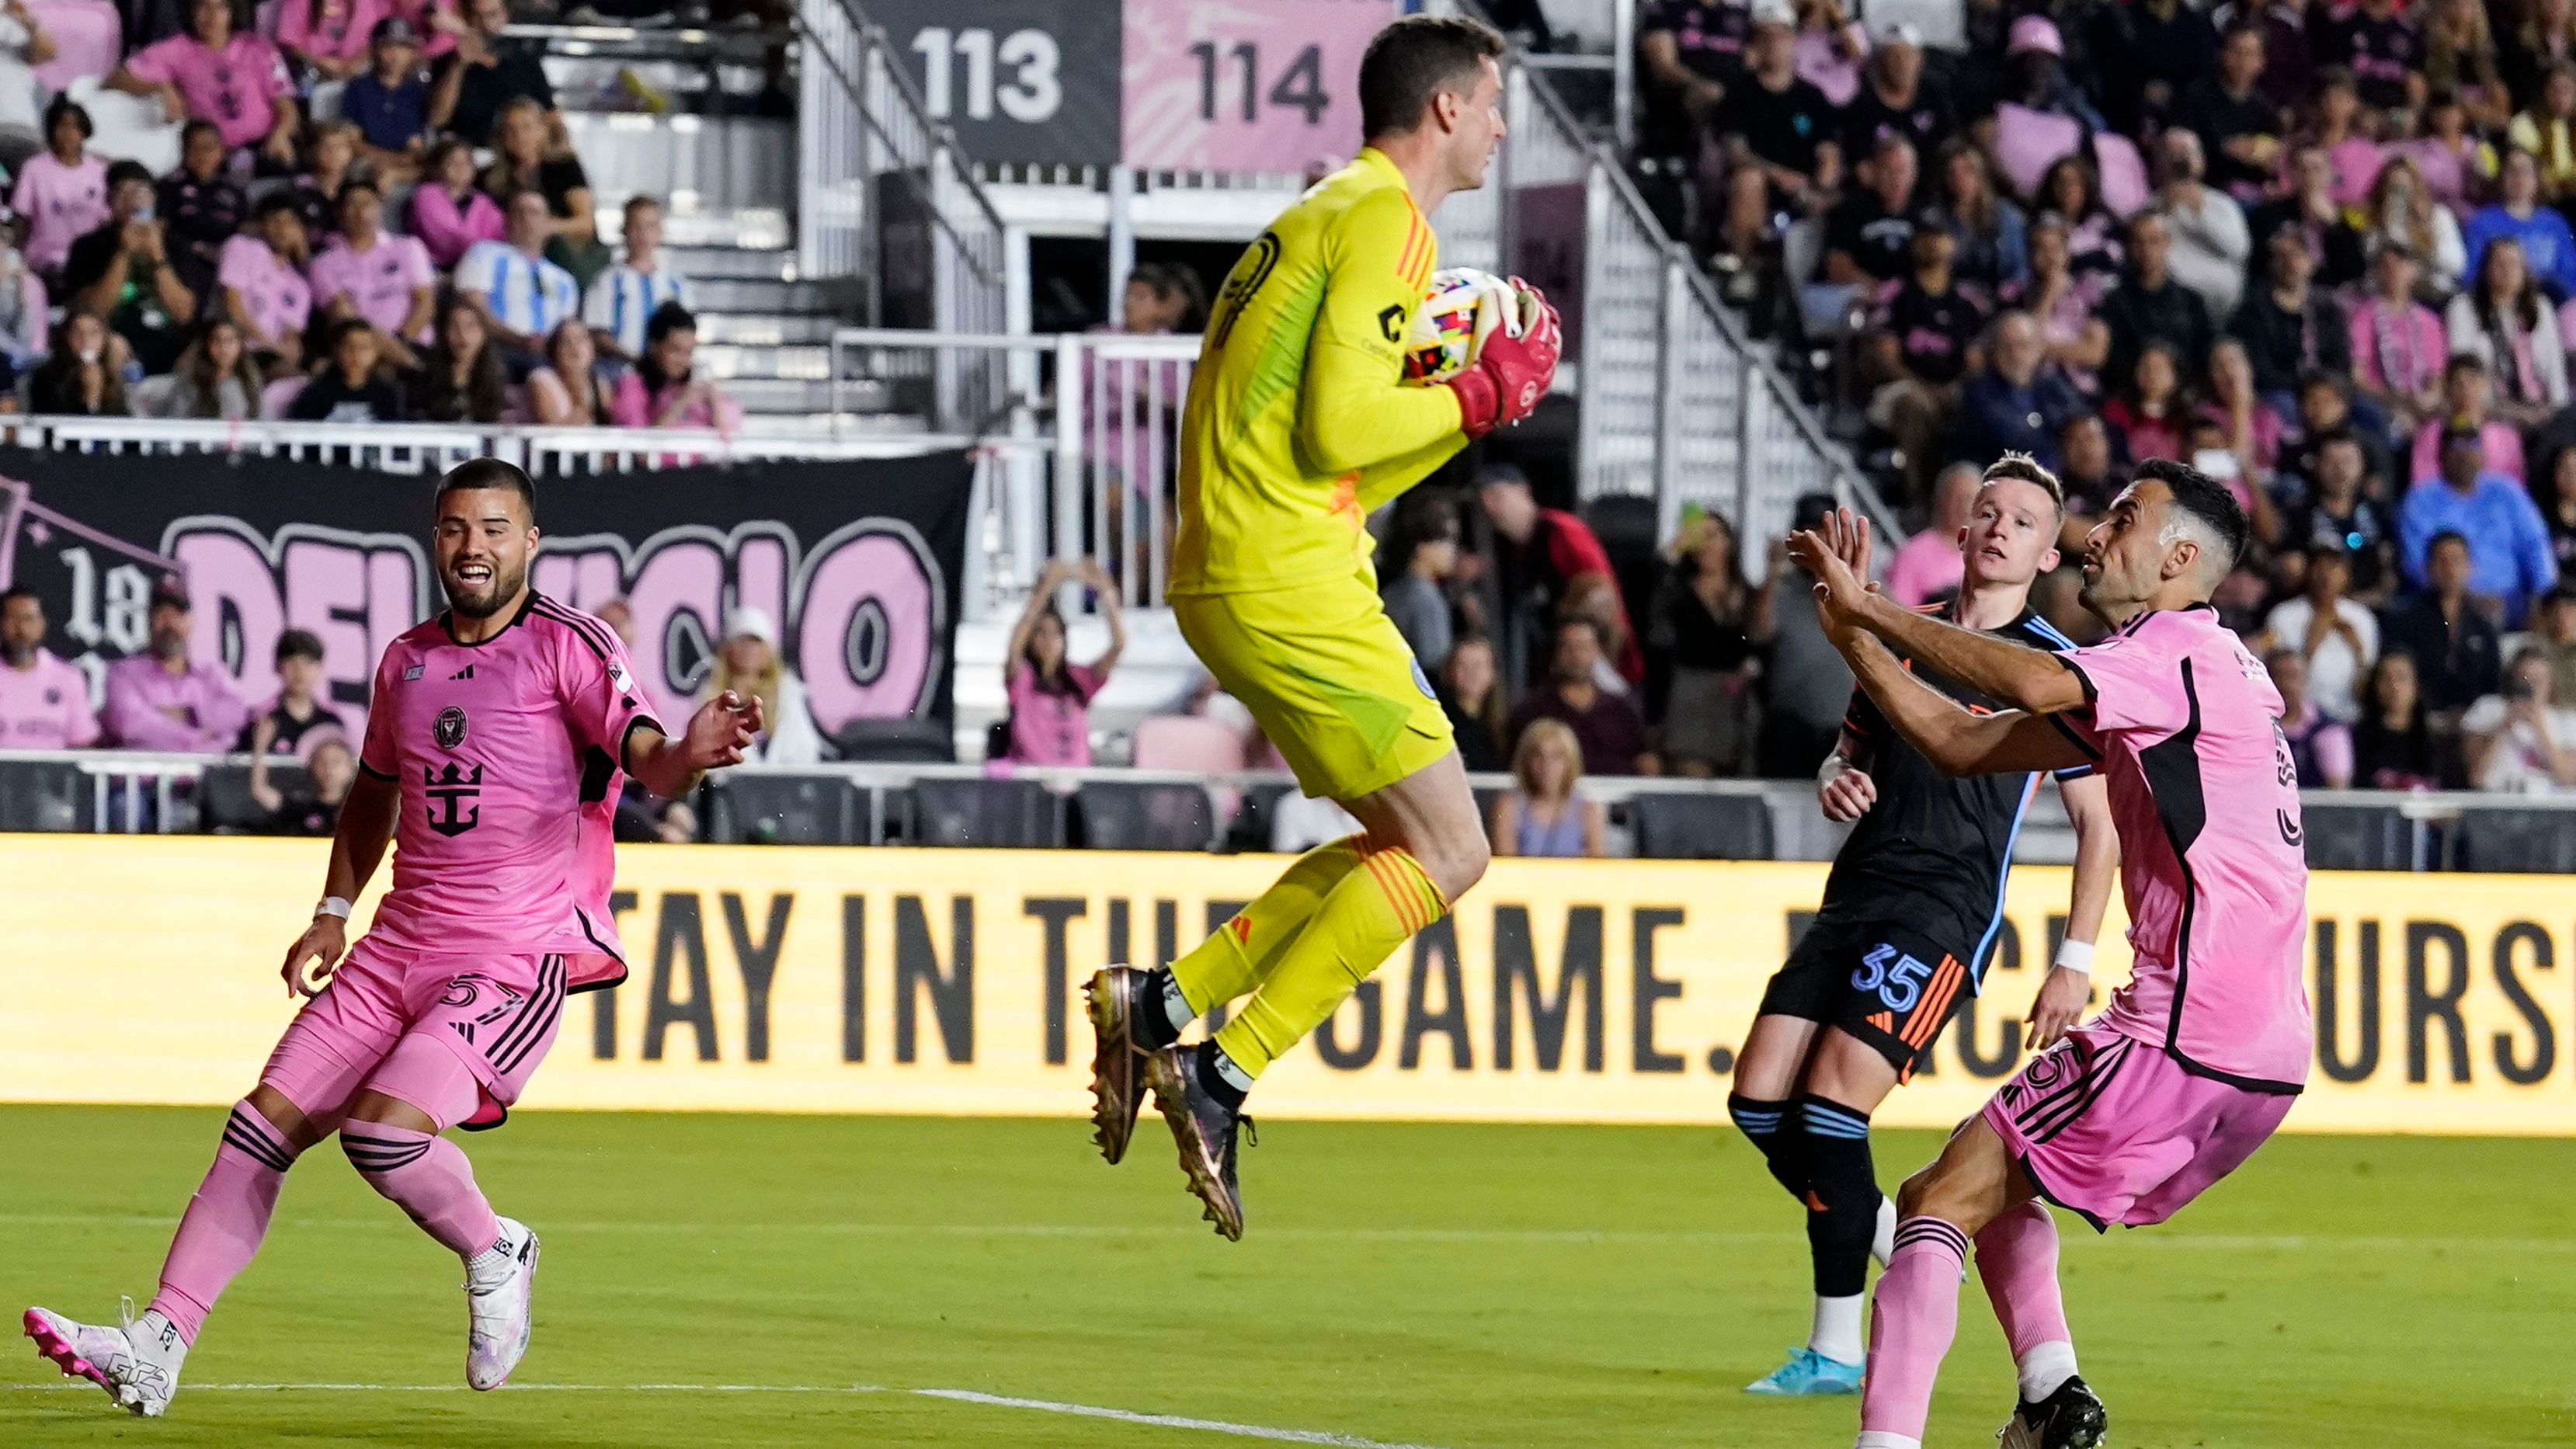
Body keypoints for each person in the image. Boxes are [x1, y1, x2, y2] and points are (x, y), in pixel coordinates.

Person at [24, 458, 761, 1417]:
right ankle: (159, 1341)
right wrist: (332, 911)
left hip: (508, 953)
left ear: (530, 543)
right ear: (435, 537)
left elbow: (648, 763)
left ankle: (497, 1247)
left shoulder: (569, 647)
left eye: (495, 529)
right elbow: (373, 792)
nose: (474, 548)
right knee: (255, 1133)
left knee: (381, 1137)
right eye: (457, 528)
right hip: (392, 946)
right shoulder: (405, 660)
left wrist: (689, 756)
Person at [1083, 15, 1559, 1245]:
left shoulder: (1321, 215)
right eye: (1494, 102)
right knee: (1453, 851)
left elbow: (1341, 462)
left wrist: (1463, 414)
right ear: (1446, 109)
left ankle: (1163, 999)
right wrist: (1475, 390)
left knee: (1399, 846)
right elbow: (1343, 436)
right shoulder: (1388, 223)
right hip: (1287, 578)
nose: (1504, 125)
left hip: (1246, 566)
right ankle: (1219, 1068)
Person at [1788, 458, 2308, 1449]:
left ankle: (1887, 1442)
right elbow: (1955, 739)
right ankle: (2049, 1398)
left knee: (1934, 1201)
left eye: (2122, 520)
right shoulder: (2196, 673)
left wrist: (1874, 609)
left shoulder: (2171, 655)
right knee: (1994, 1175)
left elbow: (2026, 672)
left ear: (2179, 558)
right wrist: (1857, 638)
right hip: (2263, 1059)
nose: (2095, 536)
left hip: (2177, 1031)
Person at [1731, 455, 2118, 1401]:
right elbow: (1851, 741)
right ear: (1960, 530)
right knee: (1756, 1105)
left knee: (1827, 1112)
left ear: (2043, 553)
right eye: (1986, 512)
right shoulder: (1904, 636)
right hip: (1855, 891)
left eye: (2022, 521)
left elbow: (2098, 823)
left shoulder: (2044, 669)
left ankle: (1837, 1343)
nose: (1997, 527)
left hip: (1941, 910)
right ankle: (1891, 1248)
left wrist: (2074, 961)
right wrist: (1834, 774)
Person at [1476, 463, 1634, 695]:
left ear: (1523, 491)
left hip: (1594, 660)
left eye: (1497, 496)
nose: (1490, 507)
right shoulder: (1518, 548)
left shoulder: (1560, 530)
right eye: (1484, 501)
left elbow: (1602, 592)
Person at [1649, 509, 1777, 777]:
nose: (1706, 545)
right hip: (1692, 697)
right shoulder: (1680, 593)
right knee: (1694, 777)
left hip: (1737, 702)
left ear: (1729, 542)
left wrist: (1773, 573)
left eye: (1713, 536)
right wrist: (1675, 546)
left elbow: (1760, 637)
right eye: (1699, 538)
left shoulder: (1746, 592)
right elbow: (1656, 623)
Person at [1864, 223, 1985, 501]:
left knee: (1979, 405)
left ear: (1952, 244)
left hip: (1952, 387)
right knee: (1913, 405)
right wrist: (1926, 388)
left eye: (1940, 236)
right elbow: (1886, 358)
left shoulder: (1966, 300)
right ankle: (1917, 496)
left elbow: (1975, 361)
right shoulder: (1896, 292)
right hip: (1901, 386)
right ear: (1915, 244)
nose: (1933, 243)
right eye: (1925, 236)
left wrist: (1955, 388)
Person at [110, 0, 298, 170]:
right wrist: (160, 88)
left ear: (232, 12)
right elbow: (116, 78)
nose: (211, 15)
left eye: (220, 7)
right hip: (207, 158)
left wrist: (281, 134)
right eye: (203, 6)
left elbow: (286, 107)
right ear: (191, 11)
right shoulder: (175, 50)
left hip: (264, 148)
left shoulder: (258, 48)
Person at [2398, 429, 2559, 624]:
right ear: (2441, 455)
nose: (2466, 454)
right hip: (2446, 603)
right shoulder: (2420, 499)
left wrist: (2545, 597)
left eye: (2473, 446)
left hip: (2513, 602)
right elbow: (2417, 565)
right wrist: (2466, 599)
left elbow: (2536, 544)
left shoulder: (2506, 491)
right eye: (2457, 447)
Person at [62, 160, 197, 374]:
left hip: (171, 344)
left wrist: (157, 253)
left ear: (153, 198)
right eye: (121, 193)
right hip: (111, 344)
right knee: (114, 347)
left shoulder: (176, 245)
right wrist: (123, 253)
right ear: (109, 201)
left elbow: (184, 313)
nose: (132, 201)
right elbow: (94, 311)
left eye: (140, 192)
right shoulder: (87, 246)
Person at [999, 558, 1122, 766]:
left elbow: (1118, 644)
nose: (1048, 641)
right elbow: (1015, 645)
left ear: (1065, 640)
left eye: (1055, 634)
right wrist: (1045, 589)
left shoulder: (1078, 679)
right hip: (1033, 784)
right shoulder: (1024, 678)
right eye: (1041, 634)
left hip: (1073, 784)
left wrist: (1107, 594)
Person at [100, 581, 249, 752]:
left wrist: (189, 713)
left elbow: (237, 715)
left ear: (190, 623)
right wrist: (198, 738)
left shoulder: (212, 674)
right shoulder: (124, 673)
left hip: (207, 776)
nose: (170, 624)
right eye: (162, 615)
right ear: (149, 621)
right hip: (148, 776)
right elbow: (128, 724)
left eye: (177, 616)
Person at [309, 175, 436, 370]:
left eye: (368, 204)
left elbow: (425, 302)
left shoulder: (408, 247)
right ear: (339, 212)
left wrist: (401, 343)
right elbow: (344, 317)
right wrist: (388, 352)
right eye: (353, 205)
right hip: (357, 355)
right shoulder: (323, 264)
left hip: (413, 343)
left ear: (380, 208)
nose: (362, 213)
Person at [478, 96, 604, 293]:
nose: (519, 136)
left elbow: (585, 223)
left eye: (526, 127)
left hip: (563, 259)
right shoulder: (491, 177)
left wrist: (543, 228)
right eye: (511, 130)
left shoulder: (563, 166)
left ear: (542, 130)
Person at [1505, 616, 1653, 776]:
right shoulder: (1533, 710)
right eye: (1568, 647)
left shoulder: (1622, 710)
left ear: (1597, 650)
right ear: (1556, 652)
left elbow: (1644, 759)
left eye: (1583, 647)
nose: (1576, 656)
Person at [456, 189, 582, 371]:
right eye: (519, 212)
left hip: (550, 360)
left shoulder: (565, 280)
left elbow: (568, 331)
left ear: (547, 223)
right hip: (497, 351)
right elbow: (472, 308)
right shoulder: (484, 254)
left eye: (534, 213)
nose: (526, 219)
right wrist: (519, 340)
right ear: (508, 220)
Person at [2382, 530, 2504, 715]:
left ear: (2470, 567)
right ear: (2428, 567)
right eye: (2442, 561)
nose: (2449, 569)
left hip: (2473, 723)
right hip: (2419, 719)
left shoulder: (2483, 625)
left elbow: (2492, 684)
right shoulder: (2404, 620)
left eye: (2456, 560)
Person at [2445, 238, 2568, 420]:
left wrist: (2560, 411)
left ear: (2524, 271)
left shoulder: (2541, 307)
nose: (2507, 270)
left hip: (2539, 407)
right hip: (2488, 409)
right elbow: (2462, 369)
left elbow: (2554, 368)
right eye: (2500, 264)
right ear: (2486, 270)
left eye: (2513, 264)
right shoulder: (2463, 308)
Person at [2096, 210, 2215, 396]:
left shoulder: (2191, 302)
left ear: (2167, 243)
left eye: (2154, 241)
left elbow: (2204, 356)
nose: (2146, 250)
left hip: (2183, 400)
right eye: (2138, 242)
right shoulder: (2115, 303)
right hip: (2130, 399)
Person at [2229, 225, 2351, 401]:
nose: (2290, 263)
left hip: (2328, 389)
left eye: (2296, 255)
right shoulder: (2254, 309)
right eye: (2281, 257)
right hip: (2281, 391)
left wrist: (2323, 388)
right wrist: (2305, 387)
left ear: (2311, 262)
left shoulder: (2329, 308)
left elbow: (2341, 361)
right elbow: (2261, 369)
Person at [697, 606, 823, 766]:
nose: (749, 650)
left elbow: (804, 749)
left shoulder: (788, 696)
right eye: (742, 642)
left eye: (756, 643)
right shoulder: (711, 697)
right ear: (728, 649)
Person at [1958, 311, 2084, 469]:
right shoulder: (1980, 392)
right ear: (1993, 351)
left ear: (2038, 351)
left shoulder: (2052, 384)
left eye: (2023, 345)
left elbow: (2080, 420)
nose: (2015, 354)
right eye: (2006, 346)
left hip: (2057, 477)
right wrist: (2059, 441)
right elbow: (2012, 439)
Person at [2345, 245, 2447, 440]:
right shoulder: (2363, 316)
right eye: (2385, 266)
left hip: (2421, 403)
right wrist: (2398, 401)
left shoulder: (2429, 321)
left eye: (2400, 264)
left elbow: (2436, 379)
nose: (2393, 271)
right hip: (2382, 401)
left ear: (2413, 271)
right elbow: (2357, 376)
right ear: (2376, 273)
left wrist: (2427, 400)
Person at [2279, 433, 2397, 601]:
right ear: (2317, 465)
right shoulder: (2301, 512)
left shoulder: (2378, 510)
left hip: (2371, 604)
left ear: (2362, 466)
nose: (2340, 469)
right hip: (2314, 604)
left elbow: (2391, 567)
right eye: (2331, 462)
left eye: (2347, 462)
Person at [426, 0, 553, 152]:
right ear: (464, 17)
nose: (486, 25)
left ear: (505, 15)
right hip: (466, 159)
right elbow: (437, 119)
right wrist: (458, 66)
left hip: (514, 155)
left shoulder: (525, 62)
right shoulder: (446, 62)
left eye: (492, 15)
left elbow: (549, 114)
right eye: (477, 16)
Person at [2154, 129, 2251, 322]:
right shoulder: (2150, 211)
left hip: (2224, 312)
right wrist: (2165, 211)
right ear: (2158, 163)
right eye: (2171, 155)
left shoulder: (2223, 204)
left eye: (2186, 153)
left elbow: (2239, 251)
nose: (2179, 161)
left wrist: (2201, 213)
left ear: (2201, 161)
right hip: (2169, 314)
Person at [582, 193, 686, 362]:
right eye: (636, 227)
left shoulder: (676, 283)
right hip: (619, 371)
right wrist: (635, 361)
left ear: (660, 231)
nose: (643, 234)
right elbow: (598, 334)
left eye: (650, 227)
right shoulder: (607, 281)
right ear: (624, 230)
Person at [14, 98, 107, 282]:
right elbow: (22, 217)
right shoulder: (34, 168)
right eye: (61, 127)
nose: (68, 134)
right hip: (45, 260)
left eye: (74, 127)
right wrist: (18, 257)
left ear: (84, 131)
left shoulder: (99, 170)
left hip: (90, 258)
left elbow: (106, 219)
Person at [217, 192, 313, 371]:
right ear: (261, 225)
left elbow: (292, 336)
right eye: (275, 220)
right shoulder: (241, 247)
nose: (283, 228)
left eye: (291, 222)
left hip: (273, 358)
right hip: (235, 348)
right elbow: (232, 306)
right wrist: (269, 346)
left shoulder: (300, 286)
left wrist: (286, 353)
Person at [2463, 149, 2576, 300]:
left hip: (2551, 301)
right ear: (2501, 178)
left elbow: (2570, 276)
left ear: (2536, 180)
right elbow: (2472, 276)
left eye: (2525, 171)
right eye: (2512, 171)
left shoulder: (2555, 224)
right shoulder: (2482, 223)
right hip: (2499, 300)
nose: (2519, 177)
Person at [2188, 23, 2286, 198]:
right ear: (2222, 54)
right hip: (2204, 191)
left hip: (2253, 195)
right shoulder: (2195, 98)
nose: (2242, 62)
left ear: (2261, 62)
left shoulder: (2266, 109)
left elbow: (2273, 157)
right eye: (2236, 52)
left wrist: (2260, 154)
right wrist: (2226, 149)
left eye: (2249, 54)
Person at [156, 120, 247, 306]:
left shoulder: (235, 191)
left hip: (225, 265)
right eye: (193, 149)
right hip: (183, 264)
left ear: (222, 151)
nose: (202, 156)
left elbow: (244, 231)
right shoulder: (168, 186)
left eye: (208, 148)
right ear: (183, 152)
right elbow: (160, 230)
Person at [1488, 718, 1604, 858]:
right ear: (1526, 761)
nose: (1547, 767)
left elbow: (1598, 870)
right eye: (1538, 756)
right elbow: (1506, 867)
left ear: (1570, 762)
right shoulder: (1509, 806)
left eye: (1557, 757)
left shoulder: (1588, 810)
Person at [0, 587, 100, 749]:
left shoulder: (68, 678)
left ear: (43, 624)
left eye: (30, 619)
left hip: (50, 775)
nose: (22, 629)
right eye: (12, 619)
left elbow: (82, 743)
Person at [2462, 648, 2576, 791]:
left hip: (2549, 800)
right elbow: (2476, 777)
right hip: (2498, 798)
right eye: (2524, 679)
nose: (2531, 687)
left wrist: (2539, 727)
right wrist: (2504, 726)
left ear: (2550, 684)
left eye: (2538, 681)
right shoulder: (2487, 709)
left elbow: (2568, 778)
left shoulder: (2566, 719)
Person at [612, 303, 737, 431]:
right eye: (675, 350)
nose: (683, 361)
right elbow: (639, 443)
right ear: (655, 346)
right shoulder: (632, 385)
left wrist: (714, 401)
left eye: (689, 352)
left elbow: (729, 435)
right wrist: (681, 403)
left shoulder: (696, 386)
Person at [1840, 21, 1950, 164]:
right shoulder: (1864, 103)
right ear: (1881, 62)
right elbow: (1858, 156)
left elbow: (1949, 142)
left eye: (1907, 56)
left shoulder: (1934, 95)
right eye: (1894, 56)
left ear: (1920, 60)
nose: (1902, 64)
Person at [2410, 354, 2526, 485]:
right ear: (2447, 389)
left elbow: (2515, 483)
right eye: (2459, 383)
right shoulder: (2431, 435)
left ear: (2485, 385)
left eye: (2472, 381)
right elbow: (2423, 481)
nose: (2466, 389)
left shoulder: (2506, 436)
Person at [1820, 132, 1919, 286]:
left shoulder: (1925, 214)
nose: (1896, 180)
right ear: (1874, 171)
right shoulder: (1849, 210)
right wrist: (1881, 291)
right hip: (1859, 293)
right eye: (1888, 171)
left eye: (1902, 171)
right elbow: (1838, 268)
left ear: (1913, 174)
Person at [1381, 494, 1460, 672]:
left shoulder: (1391, 591)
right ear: (1421, 545)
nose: (1452, 550)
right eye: (1445, 539)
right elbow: (1435, 664)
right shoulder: (1426, 600)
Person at [236, 628, 346, 754]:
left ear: (320, 669)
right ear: (277, 668)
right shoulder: (261, 718)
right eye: (292, 663)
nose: (300, 671)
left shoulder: (331, 721)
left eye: (308, 663)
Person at [342, 16, 430, 172]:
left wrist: (402, 165)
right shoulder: (358, 87)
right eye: (388, 46)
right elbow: (353, 142)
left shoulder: (417, 91)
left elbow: (416, 145)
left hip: (406, 168)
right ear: (375, 49)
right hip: (367, 163)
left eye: (403, 47)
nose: (395, 55)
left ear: (413, 53)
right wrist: (391, 161)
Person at [1884, 464, 1977, 606]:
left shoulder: (1987, 553)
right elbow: (1898, 615)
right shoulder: (1912, 555)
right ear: (1940, 500)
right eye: (1956, 497)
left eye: (1970, 498)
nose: (1964, 506)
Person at [411, 290, 508, 423]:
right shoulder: (425, 373)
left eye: (471, 326)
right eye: (454, 326)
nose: (463, 335)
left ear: (484, 333)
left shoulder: (496, 376)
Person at [409, 136, 502, 271]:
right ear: (438, 167)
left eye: (467, 162)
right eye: (453, 162)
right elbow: (442, 237)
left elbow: (498, 235)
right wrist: (478, 249)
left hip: (477, 268)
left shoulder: (484, 202)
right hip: (435, 269)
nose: (461, 167)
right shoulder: (426, 194)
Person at [289, 316, 406, 422]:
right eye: (349, 346)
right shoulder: (315, 394)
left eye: (364, 348)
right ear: (337, 351)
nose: (356, 354)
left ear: (376, 353)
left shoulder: (387, 395)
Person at [2267, 647, 2355, 786]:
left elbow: (2338, 790)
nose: (2284, 684)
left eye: (2292, 676)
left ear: (2306, 681)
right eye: (2277, 675)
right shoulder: (2254, 727)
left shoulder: (2328, 730)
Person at [2352, 650, 2440, 787]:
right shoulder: (2356, 739)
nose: (2394, 686)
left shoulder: (2436, 742)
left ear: (2416, 685)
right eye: (2386, 678)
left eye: (2401, 678)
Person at [249, 732, 356, 836]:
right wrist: (261, 745)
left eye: (336, 761)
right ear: (311, 767)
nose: (329, 768)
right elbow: (260, 791)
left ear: (351, 768)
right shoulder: (300, 807)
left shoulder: (363, 812)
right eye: (321, 761)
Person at [2103, 342, 2191, 465]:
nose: (2151, 374)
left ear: (2175, 376)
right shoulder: (2117, 410)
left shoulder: (2188, 416)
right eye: (2145, 367)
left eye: (2159, 369)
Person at [28, 311, 130, 416]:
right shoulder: (46, 377)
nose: (85, 340)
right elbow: (52, 420)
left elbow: (121, 422)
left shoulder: (112, 376)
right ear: (66, 337)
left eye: (93, 333)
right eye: (77, 333)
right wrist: (90, 397)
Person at [160, 315, 262, 419]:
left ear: (240, 344)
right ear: (207, 345)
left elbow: (261, 417)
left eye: (230, 341)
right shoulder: (191, 381)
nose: (224, 348)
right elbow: (178, 419)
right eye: (217, 341)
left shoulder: (251, 379)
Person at [526, 317, 618, 426]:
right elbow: (554, 433)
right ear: (555, 350)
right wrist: (581, 401)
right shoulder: (541, 379)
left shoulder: (600, 382)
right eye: (565, 341)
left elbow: (609, 425)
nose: (574, 347)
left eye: (580, 339)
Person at [1437, 632, 1508, 773]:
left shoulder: (1505, 726)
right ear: (1450, 672)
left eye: (1478, 665)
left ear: (1493, 672)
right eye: (1462, 665)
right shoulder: (1439, 721)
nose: (1471, 673)